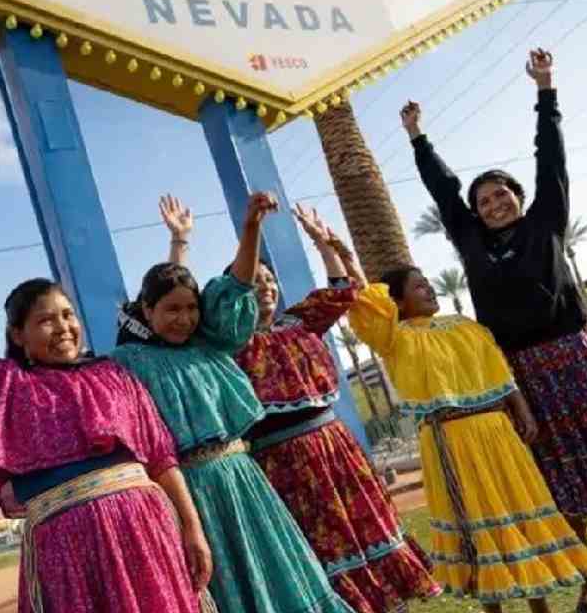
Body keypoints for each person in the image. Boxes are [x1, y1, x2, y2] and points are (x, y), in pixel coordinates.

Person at [402, 48, 587, 612]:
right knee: (558, 481)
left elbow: (551, 159)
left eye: (502, 194)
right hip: (522, 373)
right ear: (474, 214)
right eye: (483, 200)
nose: (494, 203)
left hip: (575, 358)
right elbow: (443, 192)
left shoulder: (546, 222)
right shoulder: (471, 242)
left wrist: (545, 90)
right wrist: (418, 139)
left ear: (520, 199)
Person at [0, 209, 214, 613]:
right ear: (18, 335)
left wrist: (192, 529)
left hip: (144, 534)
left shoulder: (115, 376)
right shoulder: (4, 386)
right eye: (46, 321)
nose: (64, 328)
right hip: (65, 553)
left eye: (68, 315)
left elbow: (161, 458)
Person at [158, 194, 440, 613]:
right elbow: (176, 295)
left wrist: (325, 244)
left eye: (270, 281)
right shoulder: (223, 343)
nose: (266, 288)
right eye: (255, 283)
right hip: (279, 466)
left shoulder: (300, 321)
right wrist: (180, 242)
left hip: (336, 451)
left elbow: (342, 291)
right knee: (314, 556)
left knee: (369, 533)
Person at [115, 192, 352, 613]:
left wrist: (251, 228)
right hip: (189, 492)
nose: (183, 318)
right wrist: (179, 244)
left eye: (191, 309)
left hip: (243, 477)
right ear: (146, 311)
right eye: (170, 310)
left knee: (277, 571)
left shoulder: (211, 344)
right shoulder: (130, 363)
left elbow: (237, 284)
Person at [343, 258, 587, 613]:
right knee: (474, 529)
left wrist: (521, 408)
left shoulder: (467, 327)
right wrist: (344, 257)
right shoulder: (395, 338)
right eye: (418, 286)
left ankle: (541, 608)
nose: (429, 289)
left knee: (516, 515)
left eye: (427, 282)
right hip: (448, 440)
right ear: (398, 303)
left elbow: (499, 368)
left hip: (496, 433)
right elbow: (370, 303)